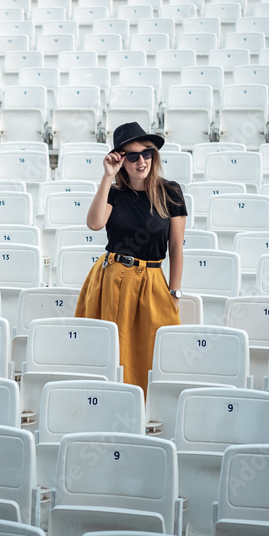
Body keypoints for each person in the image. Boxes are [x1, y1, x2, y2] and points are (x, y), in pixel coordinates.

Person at [75, 121, 187, 394]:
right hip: (110, 279)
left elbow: (176, 246)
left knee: (150, 351)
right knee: (110, 351)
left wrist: (175, 291)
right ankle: (105, 402)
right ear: (121, 160)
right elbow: (94, 224)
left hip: (150, 281)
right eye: (133, 156)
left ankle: (145, 413)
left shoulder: (170, 191)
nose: (142, 161)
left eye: (147, 153)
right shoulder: (114, 193)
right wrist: (107, 176)